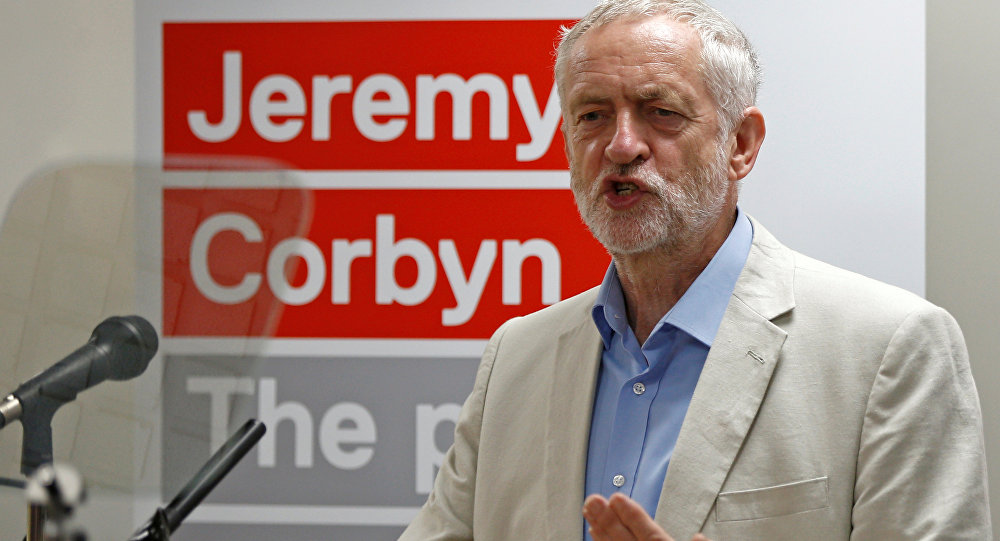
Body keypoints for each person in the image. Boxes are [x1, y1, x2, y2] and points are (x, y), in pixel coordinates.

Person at [399, 0, 991, 539]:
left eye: (660, 112)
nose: (621, 145)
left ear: (741, 143)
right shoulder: (517, 356)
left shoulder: (889, 348)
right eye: (592, 116)